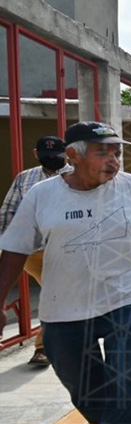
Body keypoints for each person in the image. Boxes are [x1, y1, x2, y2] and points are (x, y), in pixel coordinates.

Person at [0, 121, 131, 424]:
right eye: (102, 151)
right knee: (84, 386)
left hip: (130, 297)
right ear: (73, 156)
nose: (113, 159)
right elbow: (15, 248)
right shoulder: (43, 196)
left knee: (129, 381)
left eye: (116, 151)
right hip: (65, 304)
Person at [0, 135, 70, 367]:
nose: (53, 160)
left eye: (57, 156)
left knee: (57, 292)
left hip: (69, 248)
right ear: (35, 154)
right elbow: (9, 211)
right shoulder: (25, 179)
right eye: (47, 156)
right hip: (35, 250)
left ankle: (50, 344)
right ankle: (45, 346)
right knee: (55, 291)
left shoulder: (77, 176)